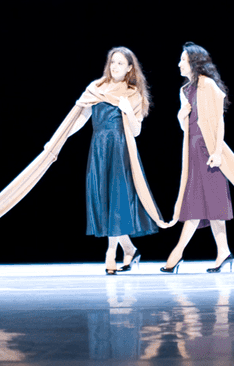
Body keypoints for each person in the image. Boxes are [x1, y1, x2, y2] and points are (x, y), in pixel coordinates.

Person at [61, 47, 160, 273]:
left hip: (120, 151)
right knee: (104, 199)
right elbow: (81, 119)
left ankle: (110, 253)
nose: (114, 66)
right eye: (112, 62)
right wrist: (60, 140)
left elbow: (136, 131)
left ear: (129, 68)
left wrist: (126, 110)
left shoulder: (133, 94)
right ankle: (130, 250)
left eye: (120, 63)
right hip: (99, 150)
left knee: (116, 200)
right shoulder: (97, 88)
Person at [161, 42, 234, 273]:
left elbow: (219, 120)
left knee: (205, 204)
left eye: (183, 60)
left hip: (208, 151)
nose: (179, 64)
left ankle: (177, 253)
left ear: (194, 62)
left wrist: (217, 152)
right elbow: (186, 127)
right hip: (193, 150)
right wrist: (181, 116)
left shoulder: (207, 85)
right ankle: (223, 252)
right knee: (206, 204)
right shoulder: (185, 90)